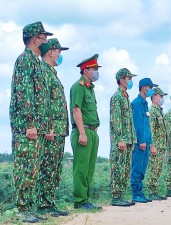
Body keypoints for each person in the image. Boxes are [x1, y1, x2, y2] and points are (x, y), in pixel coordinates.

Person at [9, 21, 53, 223]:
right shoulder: (25, 60)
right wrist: (29, 123)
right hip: (27, 127)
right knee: (25, 167)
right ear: (35, 39)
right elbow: (24, 94)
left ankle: (29, 206)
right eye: (44, 38)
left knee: (33, 168)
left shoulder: (36, 62)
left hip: (37, 127)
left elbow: (41, 98)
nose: (46, 42)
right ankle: (22, 208)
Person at [36, 38, 69, 217]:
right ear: (51, 52)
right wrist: (47, 127)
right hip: (51, 130)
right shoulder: (43, 72)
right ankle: (43, 204)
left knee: (55, 168)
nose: (60, 55)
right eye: (59, 52)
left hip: (58, 129)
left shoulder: (52, 73)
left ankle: (49, 202)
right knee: (47, 167)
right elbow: (44, 102)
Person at [70, 54, 102, 209]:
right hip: (83, 131)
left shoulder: (90, 88)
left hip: (92, 131)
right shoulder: (79, 86)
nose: (96, 72)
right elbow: (76, 109)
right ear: (85, 70)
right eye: (94, 69)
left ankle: (85, 199)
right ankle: (79, 200)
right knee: (81, 167)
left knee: (89, 168)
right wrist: (82, 133)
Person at [110, 68, 137, 207]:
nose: (131, 81)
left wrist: (132, 140)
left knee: (126, 169)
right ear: (121, 80)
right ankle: (116, 197)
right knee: (118, 168)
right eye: (129, 78)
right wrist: (120, 138)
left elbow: (130, 121)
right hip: (120, 141)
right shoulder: (117, 97)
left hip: (128, 140)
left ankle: (121, 195)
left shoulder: (126, 97)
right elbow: (116, 119)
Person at [131, 78, 158, 203]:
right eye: (150, 87)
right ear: (143, 88)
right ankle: (135, 193)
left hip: (146, 142)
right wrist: (141, 140)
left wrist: (150, 143)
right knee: (137, 168)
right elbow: (137, 124)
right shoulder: (136, 103)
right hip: (139, 143)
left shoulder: (145, 103)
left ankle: (140, 192)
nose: (151, 90)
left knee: (142, 169)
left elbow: (147, 126)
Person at [146, 87, 169, 201]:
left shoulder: (160, 111)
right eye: (161, 96)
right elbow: (151, 130)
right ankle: (151, 192)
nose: (162, 98)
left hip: (161, 145)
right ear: (154, 97)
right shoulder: (152, 111)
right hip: (156, 145)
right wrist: (152, 145)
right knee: (154, 168)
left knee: (158, 168)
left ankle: (154, 191)